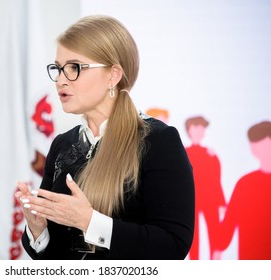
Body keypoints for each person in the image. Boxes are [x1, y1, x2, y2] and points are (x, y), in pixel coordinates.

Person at [16, 15, 195, 260]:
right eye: (58, 69)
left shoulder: (158, 141)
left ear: (113, 75)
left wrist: (90, 222)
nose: (60, 80)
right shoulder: (61, 146)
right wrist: (39, 232)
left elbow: (172, 246)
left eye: (74, 68)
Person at [214, 121, 271, 259]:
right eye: (254, 143)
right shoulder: (244, 183)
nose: (256, 147)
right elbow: (229, 223)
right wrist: (217, 250)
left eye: (262, 142)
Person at [184, 116, 226, 259]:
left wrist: (221, 202)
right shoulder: (183, 153)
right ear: (190, 130)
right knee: (192, 234)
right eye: (198, 127)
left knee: (214, 232)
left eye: (203, 128)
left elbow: (216, 180)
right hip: (191, 200)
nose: (201, 131)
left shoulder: (211, 154)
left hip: (210, 200)